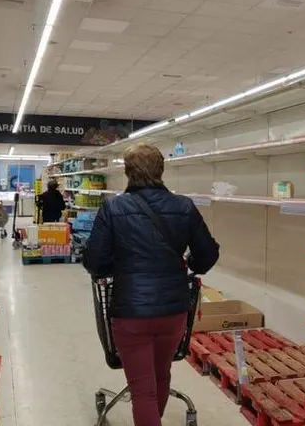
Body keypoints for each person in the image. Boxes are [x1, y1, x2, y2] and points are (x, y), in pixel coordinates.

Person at [84, 143, 219, 426]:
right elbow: (208, 254)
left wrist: (119, 267)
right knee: (162, 374)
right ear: (161, 170)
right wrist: (188, 264)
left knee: (142, 390)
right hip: (173, 312)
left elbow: (95, 261)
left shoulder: (113, 207)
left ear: (129, 173)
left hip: (130, 312)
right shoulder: (184, 207)